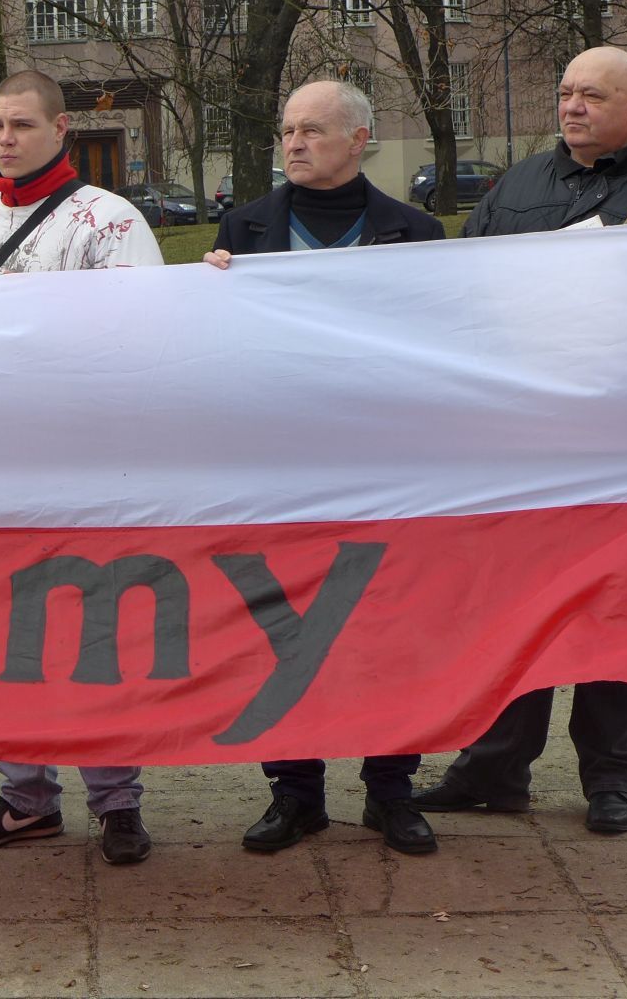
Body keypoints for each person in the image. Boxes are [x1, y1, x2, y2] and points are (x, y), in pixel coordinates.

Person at [410, 45, 627, 836]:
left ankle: (611, 776)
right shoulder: (518, 185)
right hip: (522, 441)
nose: (573, 107)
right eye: (567, 93)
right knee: (515, 609)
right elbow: (461, 281)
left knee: (615, 609)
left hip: (624, 444)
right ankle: (494, 768)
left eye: (593, 96)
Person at [202, 78, 444, 855]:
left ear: (359, 139)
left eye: (312, 130)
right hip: (277, 467)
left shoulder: (415, 234)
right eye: (288, 130)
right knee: (281, 622)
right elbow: (217, 348)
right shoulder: (243, 230)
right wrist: (205, 296)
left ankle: (391, 789)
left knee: (387, 625)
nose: (295, 143)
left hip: (383, 467)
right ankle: (295, 792)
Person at [0, 69, 163, 865]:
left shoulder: (110, 221)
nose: (6, 139)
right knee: (8, 635)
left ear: (61, 128)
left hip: (85, 468)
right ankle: (25, 796)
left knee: (94, 635)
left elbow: (136, 337)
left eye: (22, 125)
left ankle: (117, 800)